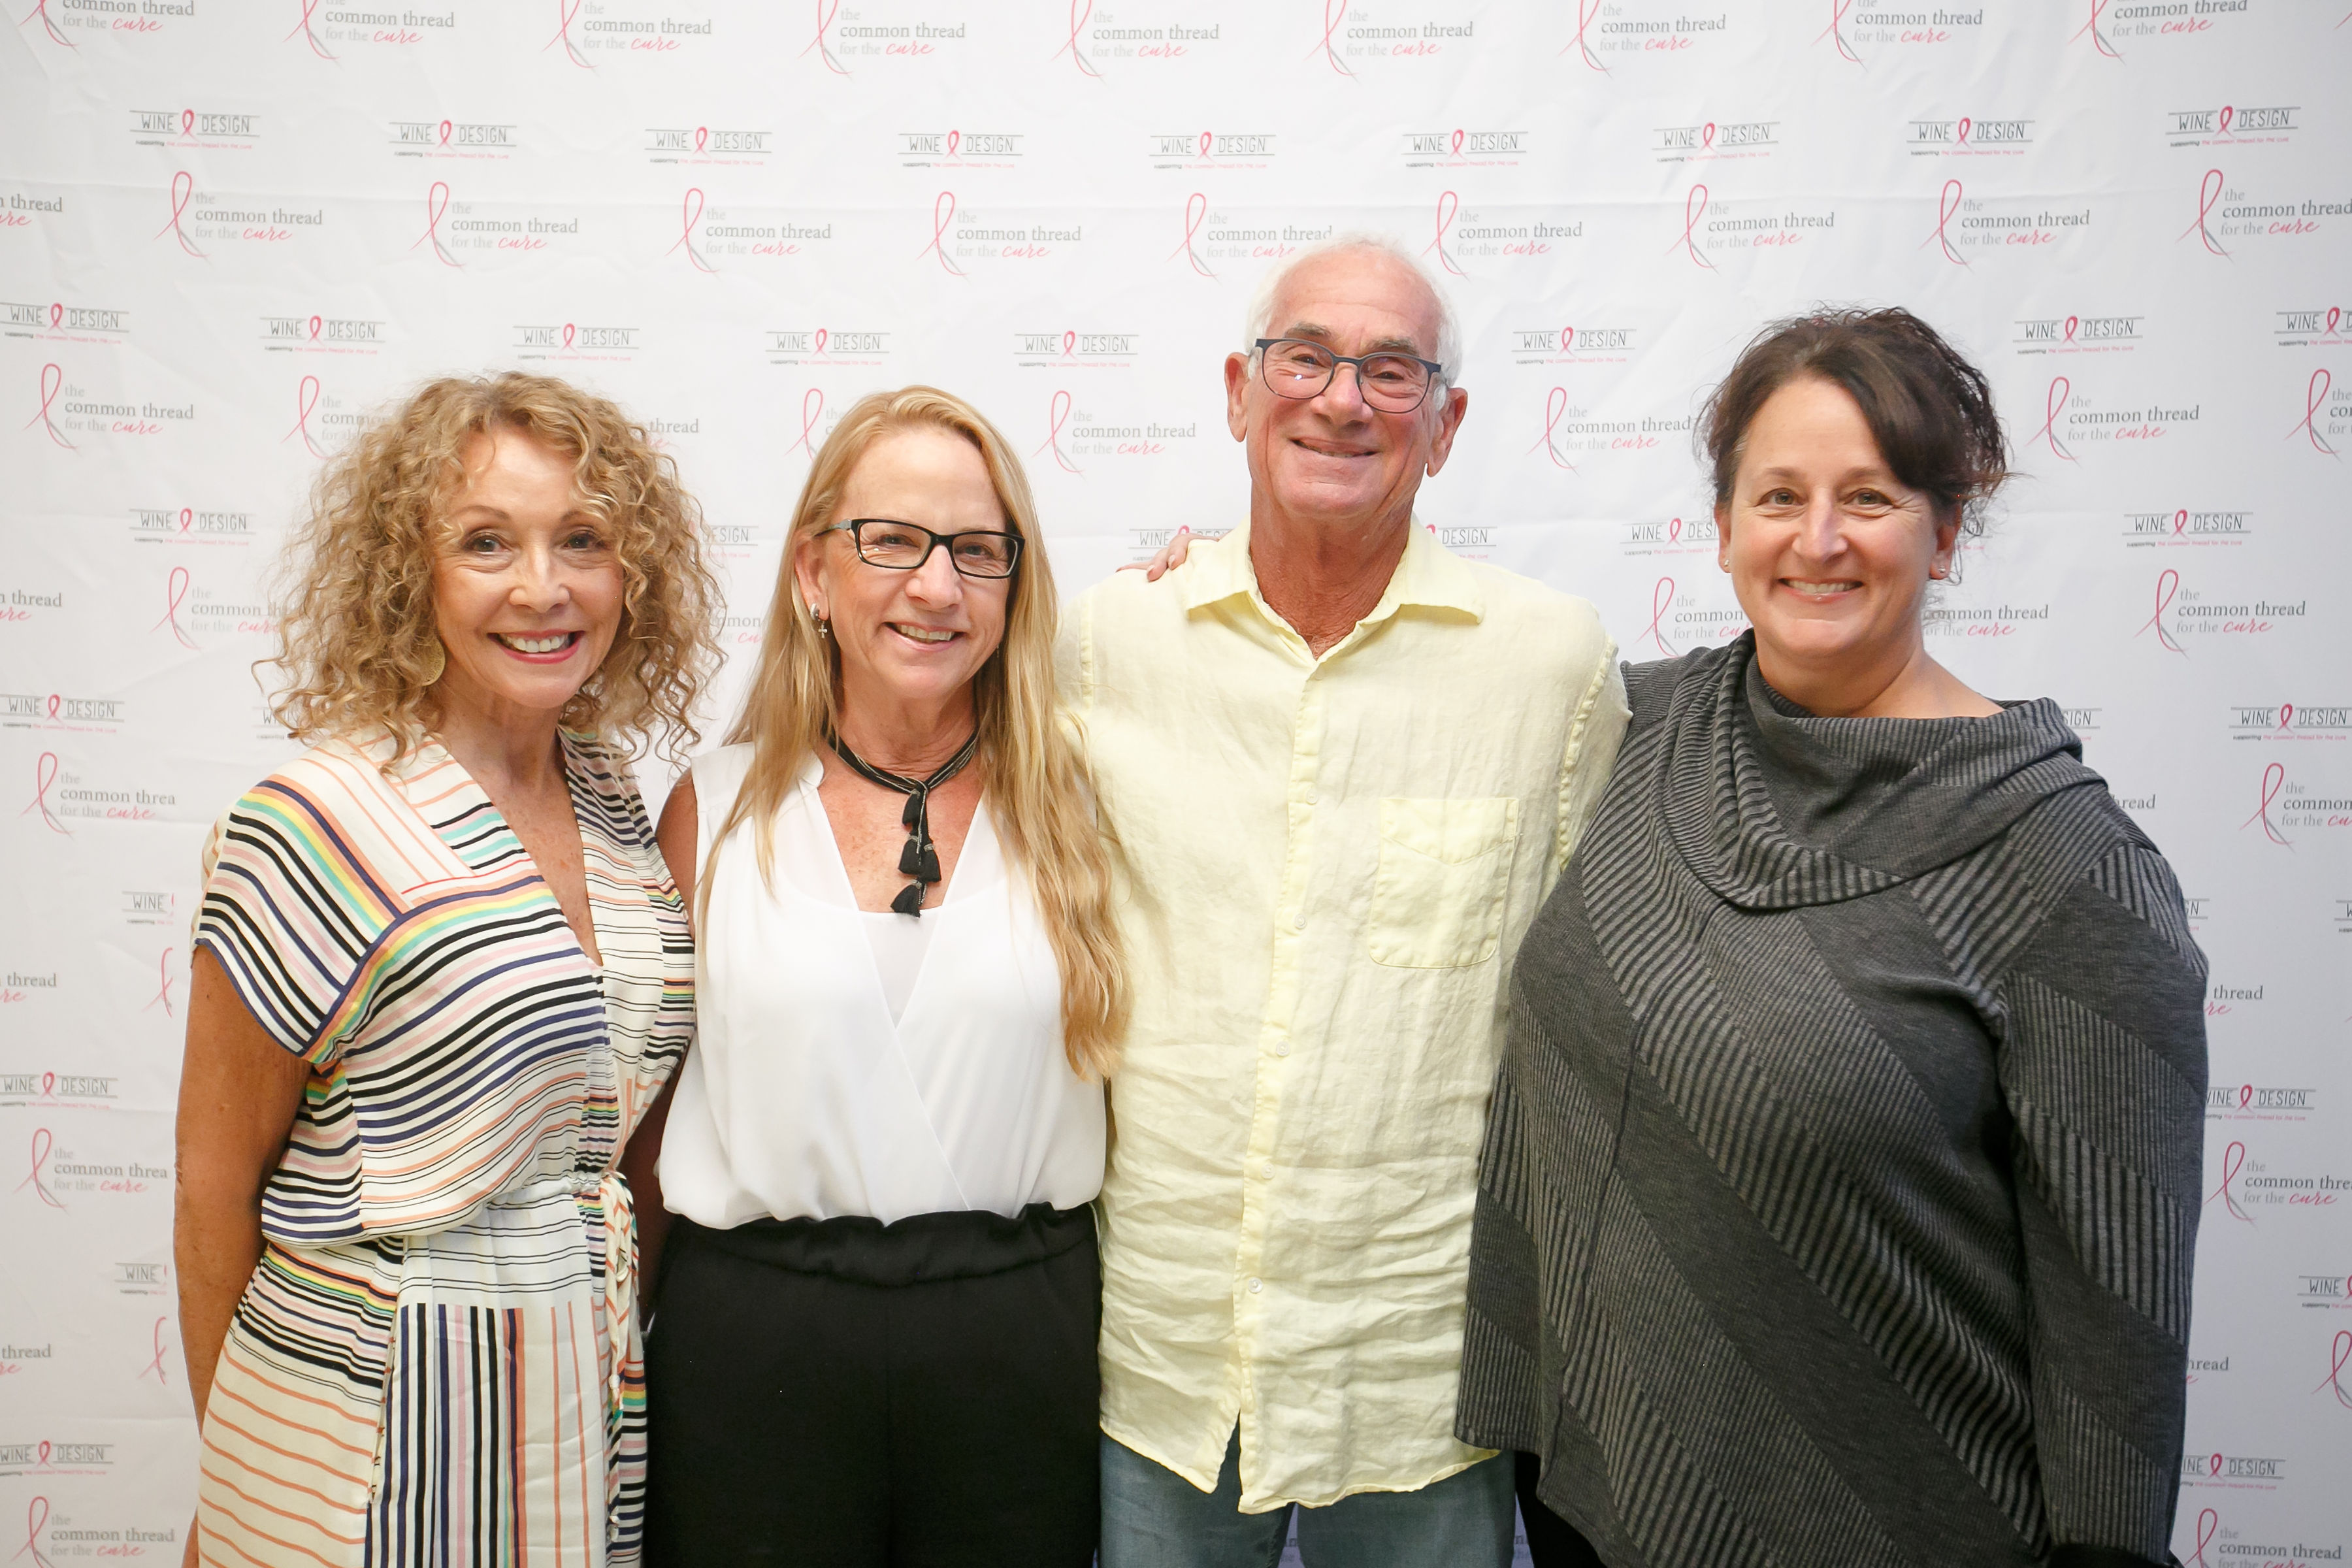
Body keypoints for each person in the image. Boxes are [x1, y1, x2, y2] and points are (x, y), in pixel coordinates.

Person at [1458, 308, 2208, 1568]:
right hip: (1589, 1486)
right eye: (1779, 495)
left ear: (1947, 529)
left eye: (1867, 496)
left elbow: (2116, 1315)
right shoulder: (1640, 729)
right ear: (1722, 527)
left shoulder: (2066, 869)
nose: (1816, 540)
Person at [1062, 237, 1628, 1566]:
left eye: (1391, 370)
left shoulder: (1550, 665)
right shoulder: (1103, 643)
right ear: (1239, 393)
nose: (1341, 398)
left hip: (1422, 1368)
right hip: (1163, 1355)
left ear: (1446, 424)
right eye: (1305, 358)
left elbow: (1606, 1010)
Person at [174, 372, 718, 1567]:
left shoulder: (619, 806)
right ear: (408, 575)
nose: (544, 587)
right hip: (351, 1427)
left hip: (578, 1412)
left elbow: (628, 1149)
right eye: (486, 543)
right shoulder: (312, 822)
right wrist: (245, 1469)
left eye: (583, 540)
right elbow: (214, 1188)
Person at [638, 387, 1124, 1566]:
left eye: (976, 551)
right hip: (753, 1343)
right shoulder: (716, 806)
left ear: (1016, 585)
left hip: (1016, 1339)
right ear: (814, 572)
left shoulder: (1083, 797)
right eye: (892, 542)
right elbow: (642, 1122)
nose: (937, 586)